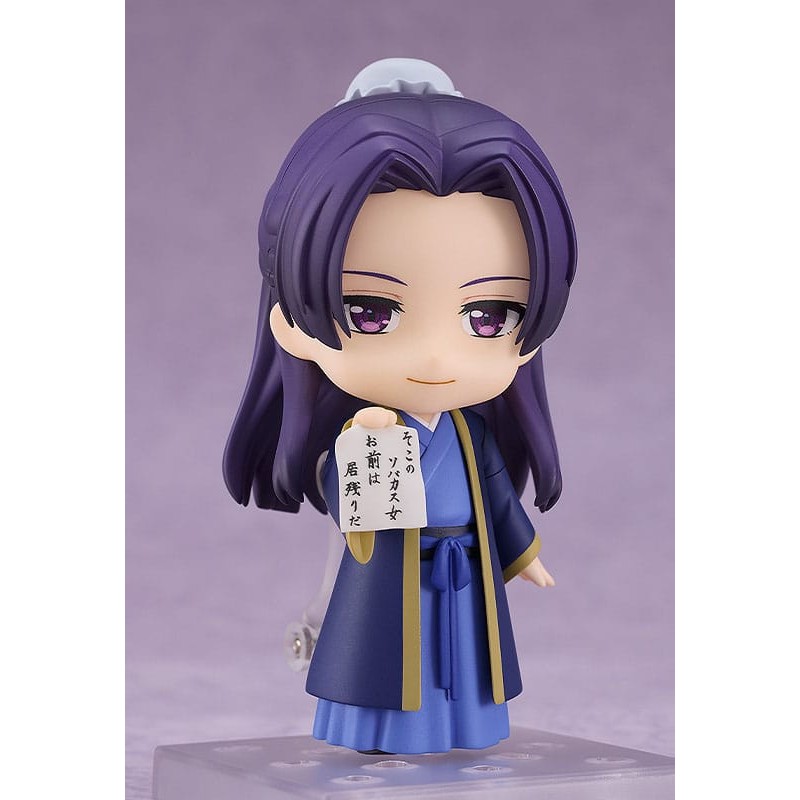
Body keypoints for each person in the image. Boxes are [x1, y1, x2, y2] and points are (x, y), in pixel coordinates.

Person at [224, 58, 577, 754]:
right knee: (388, 662)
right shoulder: (366, 430)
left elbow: (497, 499)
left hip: (465, 570)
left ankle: (465, 730)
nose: (438, 358)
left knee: (465, 664)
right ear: (291, 322)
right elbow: (346, 504)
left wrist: (521, 555)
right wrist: (362, 447)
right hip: (392, 576)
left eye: (489, 316)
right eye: (373, 312)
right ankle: (383, 739)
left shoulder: (470, 433)